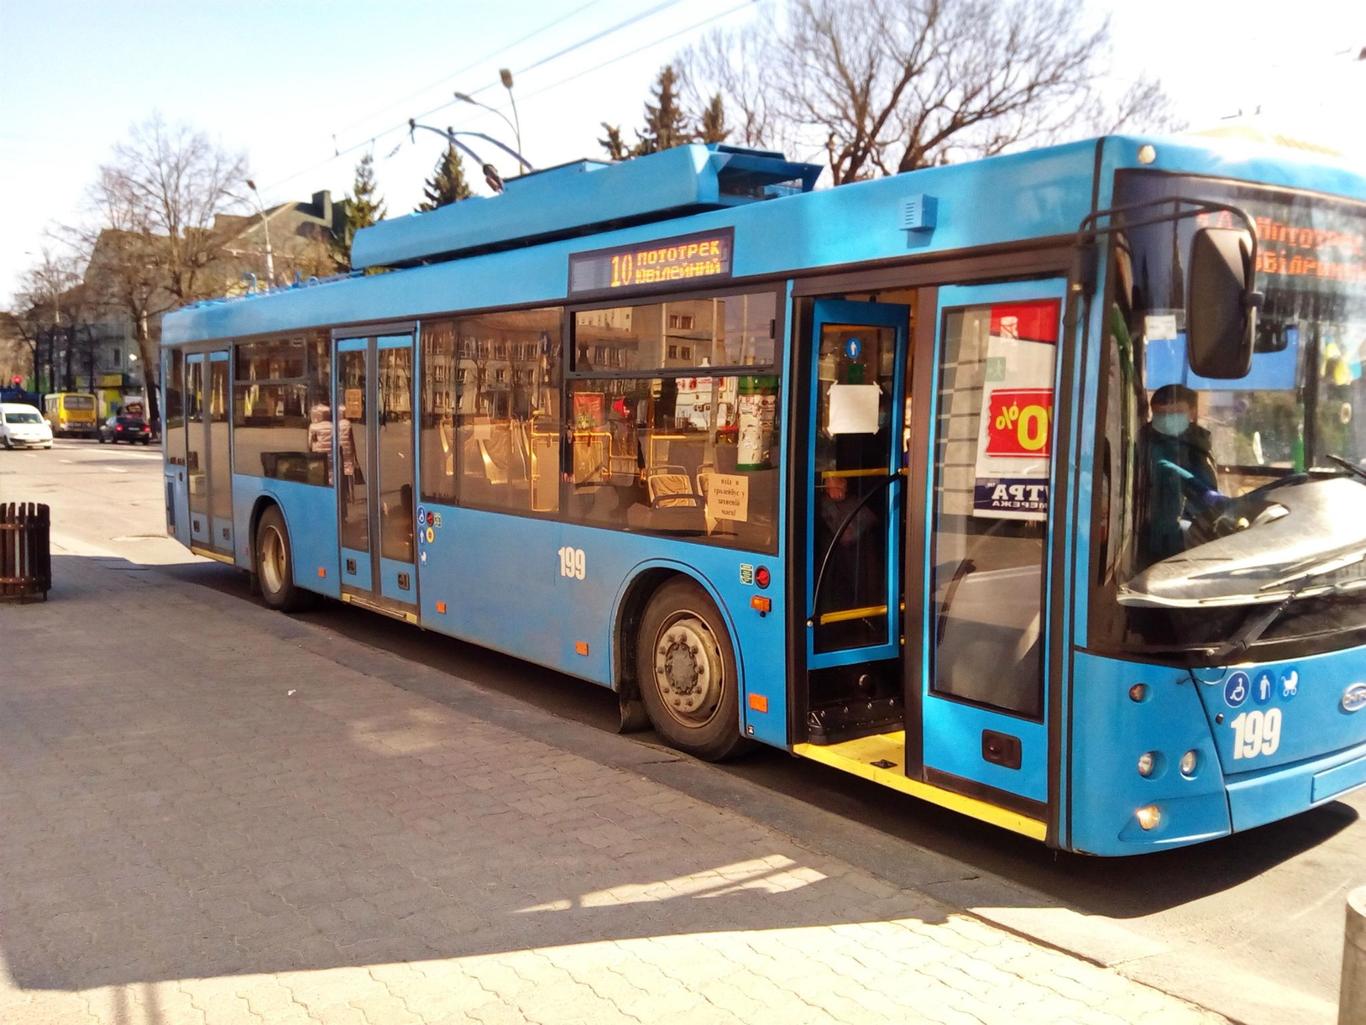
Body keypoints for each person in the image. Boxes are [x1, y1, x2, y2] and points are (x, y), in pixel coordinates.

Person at [1138, 383, 1219, 566]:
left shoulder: (1199, 445)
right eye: (1161, 414)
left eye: (1175, 414)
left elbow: (1205, 493)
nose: (1167, 420)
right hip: (1147, 535)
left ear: (1192, 412)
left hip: (1187, 538)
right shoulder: (1143, 442)